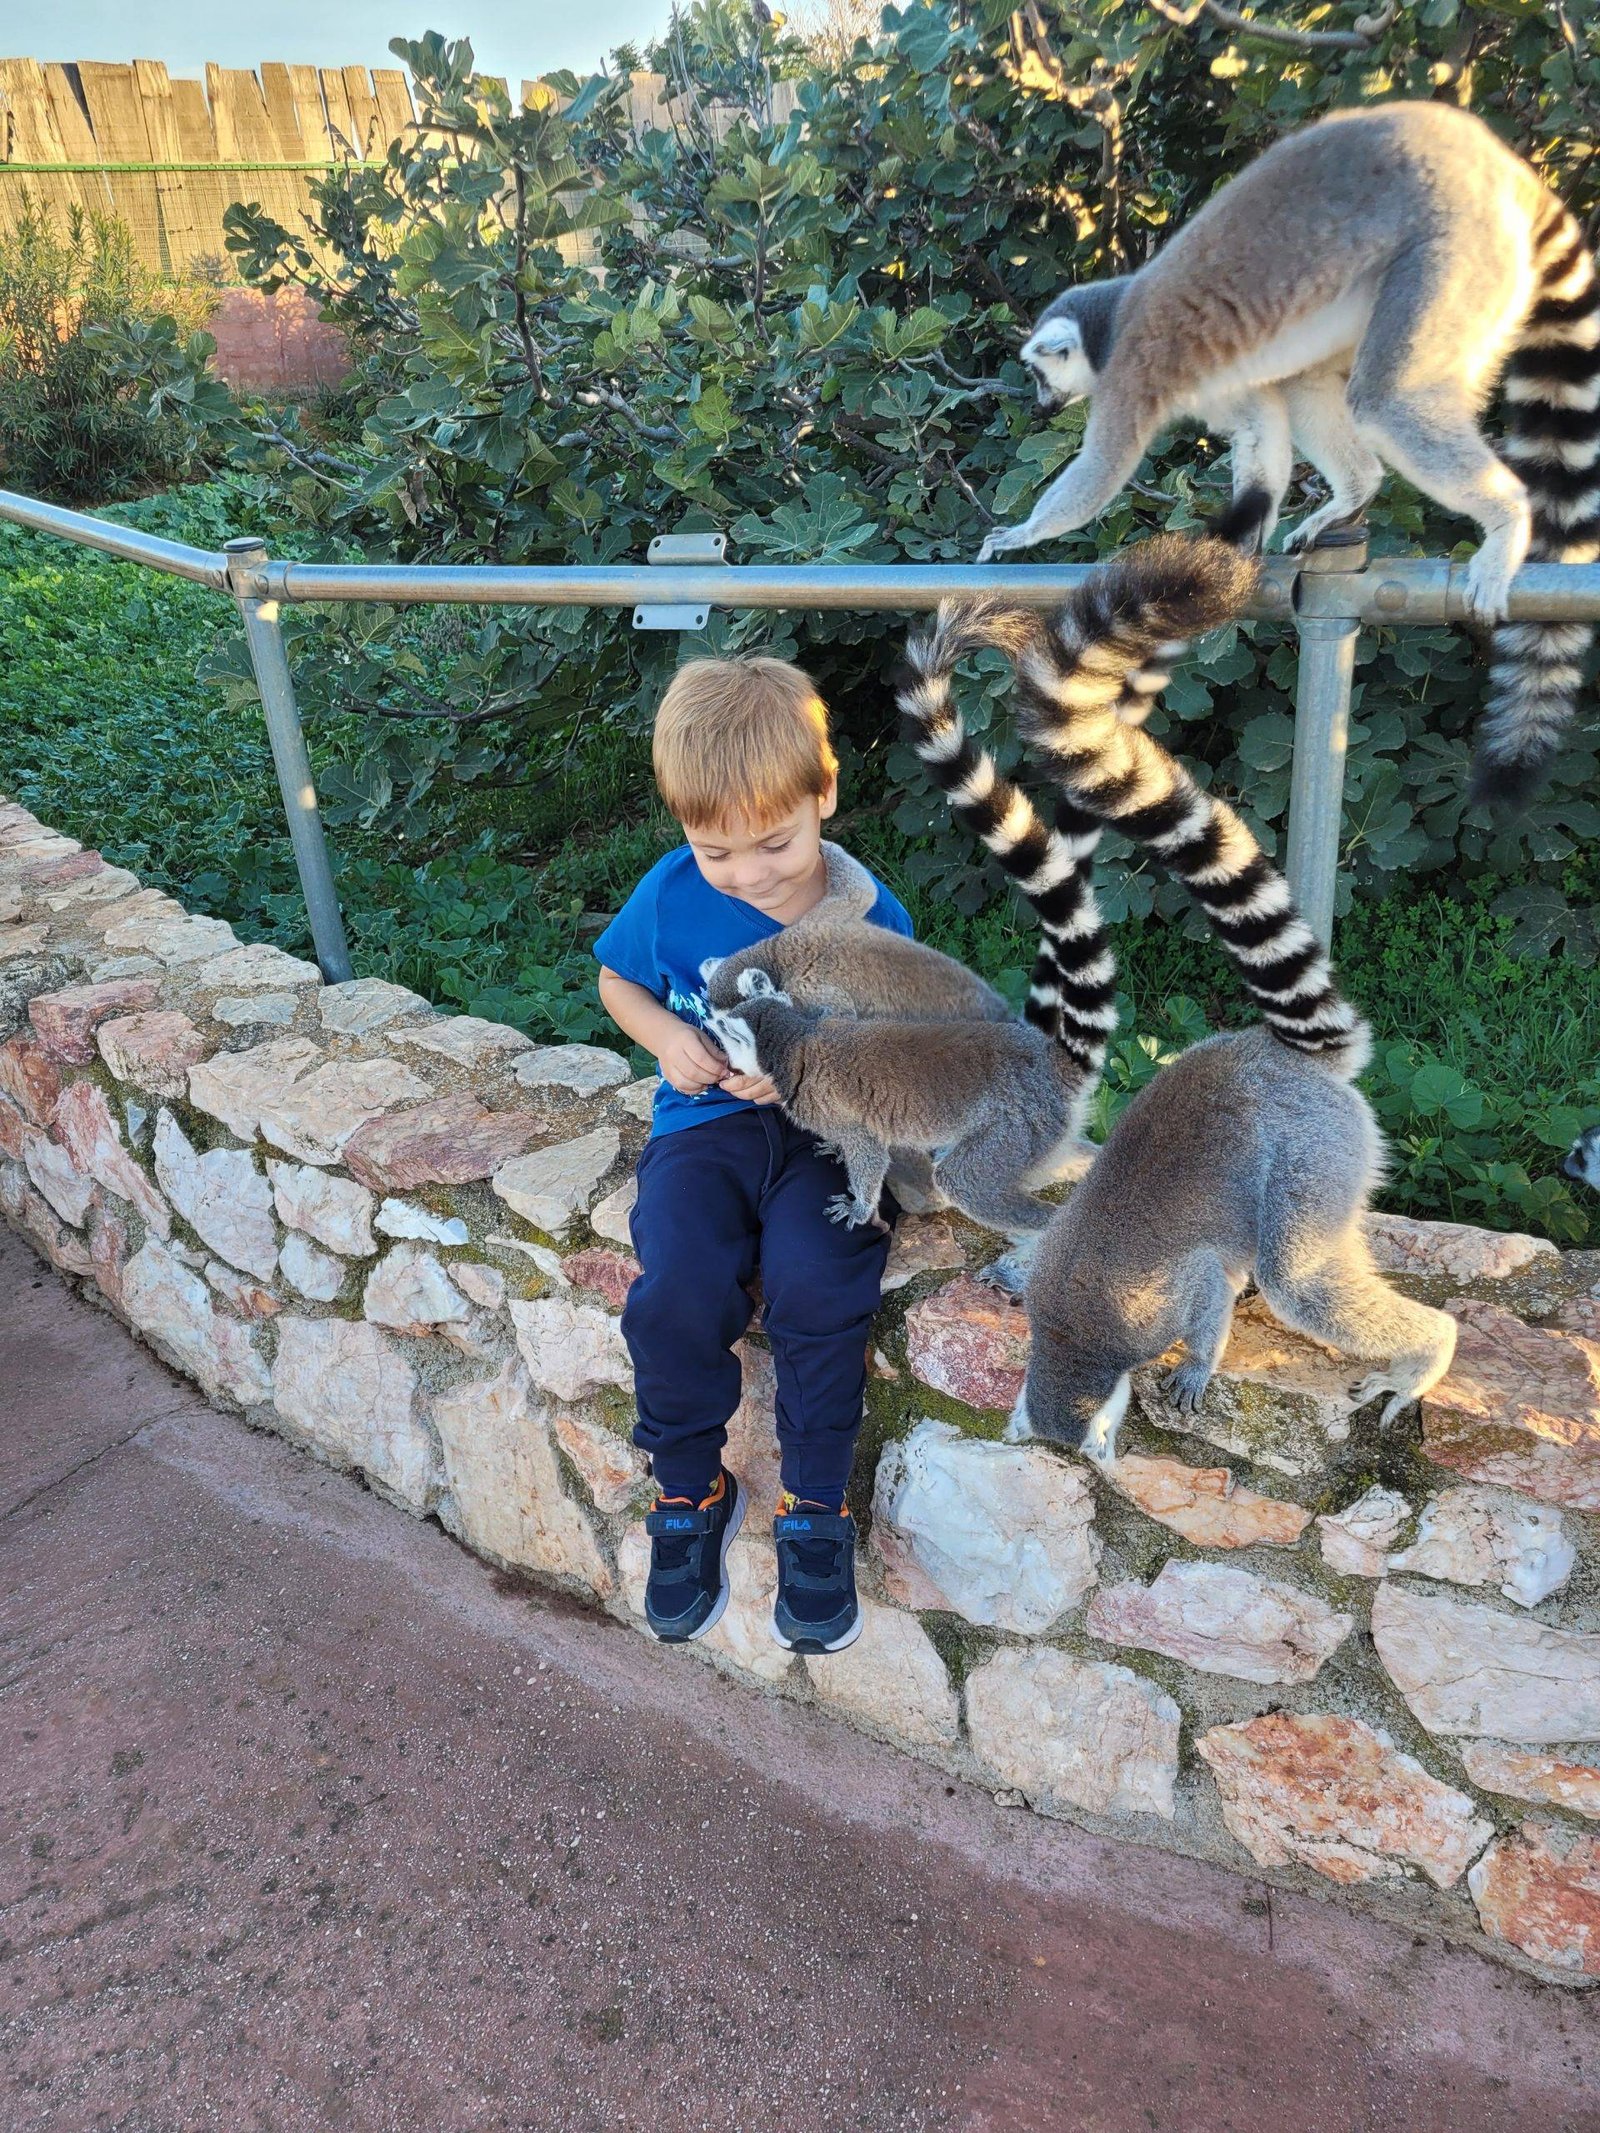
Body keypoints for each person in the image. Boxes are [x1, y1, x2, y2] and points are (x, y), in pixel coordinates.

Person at [593, 655, 912, 1655]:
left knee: (819, 1279)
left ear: (823, 794)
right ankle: (690, 1483)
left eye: (772, 842)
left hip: (833, 1138)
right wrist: (663, 1041)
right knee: (678, 1279)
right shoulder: (673, 893)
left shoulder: (869, 917)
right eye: (714, 847)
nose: (746, 872)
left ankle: (816, 1504)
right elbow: (617, 981)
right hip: (706, 1128)